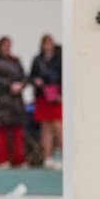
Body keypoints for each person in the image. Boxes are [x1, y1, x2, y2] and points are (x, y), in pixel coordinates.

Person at [0, 36, 27, 168]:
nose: (7, 48)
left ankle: (18, 159)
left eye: (9, 45)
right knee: (2, 130)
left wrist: (21, 85)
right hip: (1, 101)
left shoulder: (16, 61)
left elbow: (24, 77)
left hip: (16, 101)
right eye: (5, 45)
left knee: (17, 130)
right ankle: (2, 160)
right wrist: (10, 85)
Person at [29, 34, 62, 169]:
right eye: (45, 44)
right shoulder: (37, 60)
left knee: (58, 127)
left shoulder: (59, 59)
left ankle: (63, 155)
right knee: (45, 128)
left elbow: (63, 77)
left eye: (50, 44)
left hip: (56, 97)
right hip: (43, 97)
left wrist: (61, 94)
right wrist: (35, 81)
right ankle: (47, 157)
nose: (47, 46)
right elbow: (31, 76)